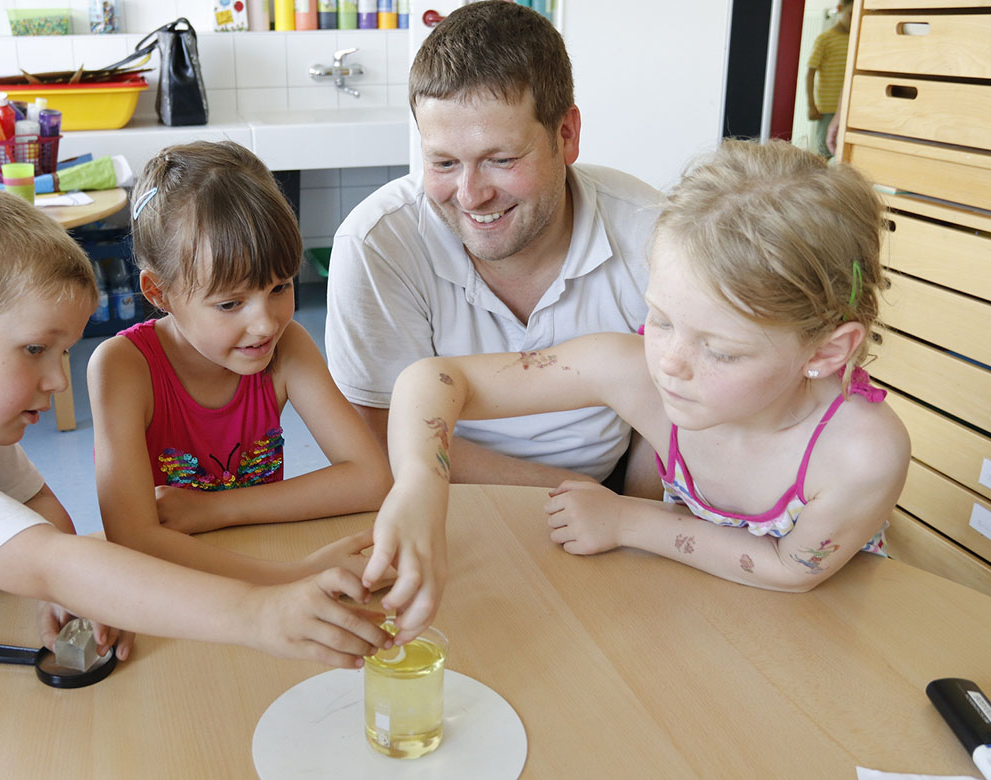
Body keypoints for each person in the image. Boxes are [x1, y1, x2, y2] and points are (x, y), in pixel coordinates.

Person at [0, 183, 392, 669]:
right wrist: (261, 611)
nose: (57, 381)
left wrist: (80, 594)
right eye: (35, 349)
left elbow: (41, 506)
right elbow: (52, 560)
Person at [366, 139, 911, 643]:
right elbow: (432, 380)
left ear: (824, 353)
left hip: (815, 638)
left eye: (719, 350)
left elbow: (792, 569)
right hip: (689, 621)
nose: (669, 363)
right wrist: (420, 483)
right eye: (660, 319)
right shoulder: (635, 373)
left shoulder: (860, 453)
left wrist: (627, 520)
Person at [324, 0, 663, 495]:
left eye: (500, 159)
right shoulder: (377, 244)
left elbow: (681, 414)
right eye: (442, 163)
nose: (469, 195)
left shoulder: (654, 235)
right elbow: (376, 435)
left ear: (566, 135)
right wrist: (573, 494)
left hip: (614, 492)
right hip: (437, 491)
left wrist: (632, 514)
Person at [87, 141, 393, 581]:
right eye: (230, 304)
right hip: (179, 585)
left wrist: (212, 510)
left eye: (280, 287)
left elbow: (371, 479)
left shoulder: (288, 347)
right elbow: (134, 539)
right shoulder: (122, 367)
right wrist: (292, 575)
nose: (265, 324)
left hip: (257, 551)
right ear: (159, 293)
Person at [806, 1, 853, 157]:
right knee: (823, 153)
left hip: (849, 106)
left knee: (842, 151)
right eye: (850, 14)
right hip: (826, 108)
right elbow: (810, 73)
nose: (853, 19)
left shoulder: (856, 39)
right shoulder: (825, 39)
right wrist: (811, 105)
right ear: (840, 9)